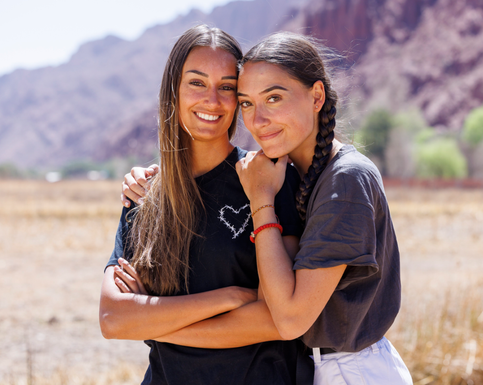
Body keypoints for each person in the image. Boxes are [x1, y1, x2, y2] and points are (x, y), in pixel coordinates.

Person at [123, 32, 413, 384]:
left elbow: (287, 320)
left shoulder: (346, 180)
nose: (258, 120)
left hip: (352, 372)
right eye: (246, 103)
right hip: (319, 367)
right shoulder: (301, 175)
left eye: (274, 98)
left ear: (316, 96)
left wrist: (157, 329)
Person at [99, 25, 313, 385]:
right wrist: (231, 297)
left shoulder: (269, 180)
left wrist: (154, 321)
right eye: (197, 82)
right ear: (174, 91)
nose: (212, 100)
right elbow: (113, 319)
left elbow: (278, 320)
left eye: (227, 87)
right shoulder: (144, 195)